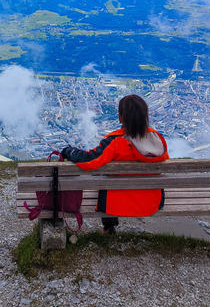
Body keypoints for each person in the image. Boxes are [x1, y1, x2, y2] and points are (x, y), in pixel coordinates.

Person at [60, 94, 168, 233]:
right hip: (152, 203)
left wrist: (68, 151)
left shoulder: (116, 142)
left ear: (120, 117)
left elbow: (89, 161)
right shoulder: (158, 140)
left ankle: (109, 226)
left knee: (104, 175)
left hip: (116, 205)